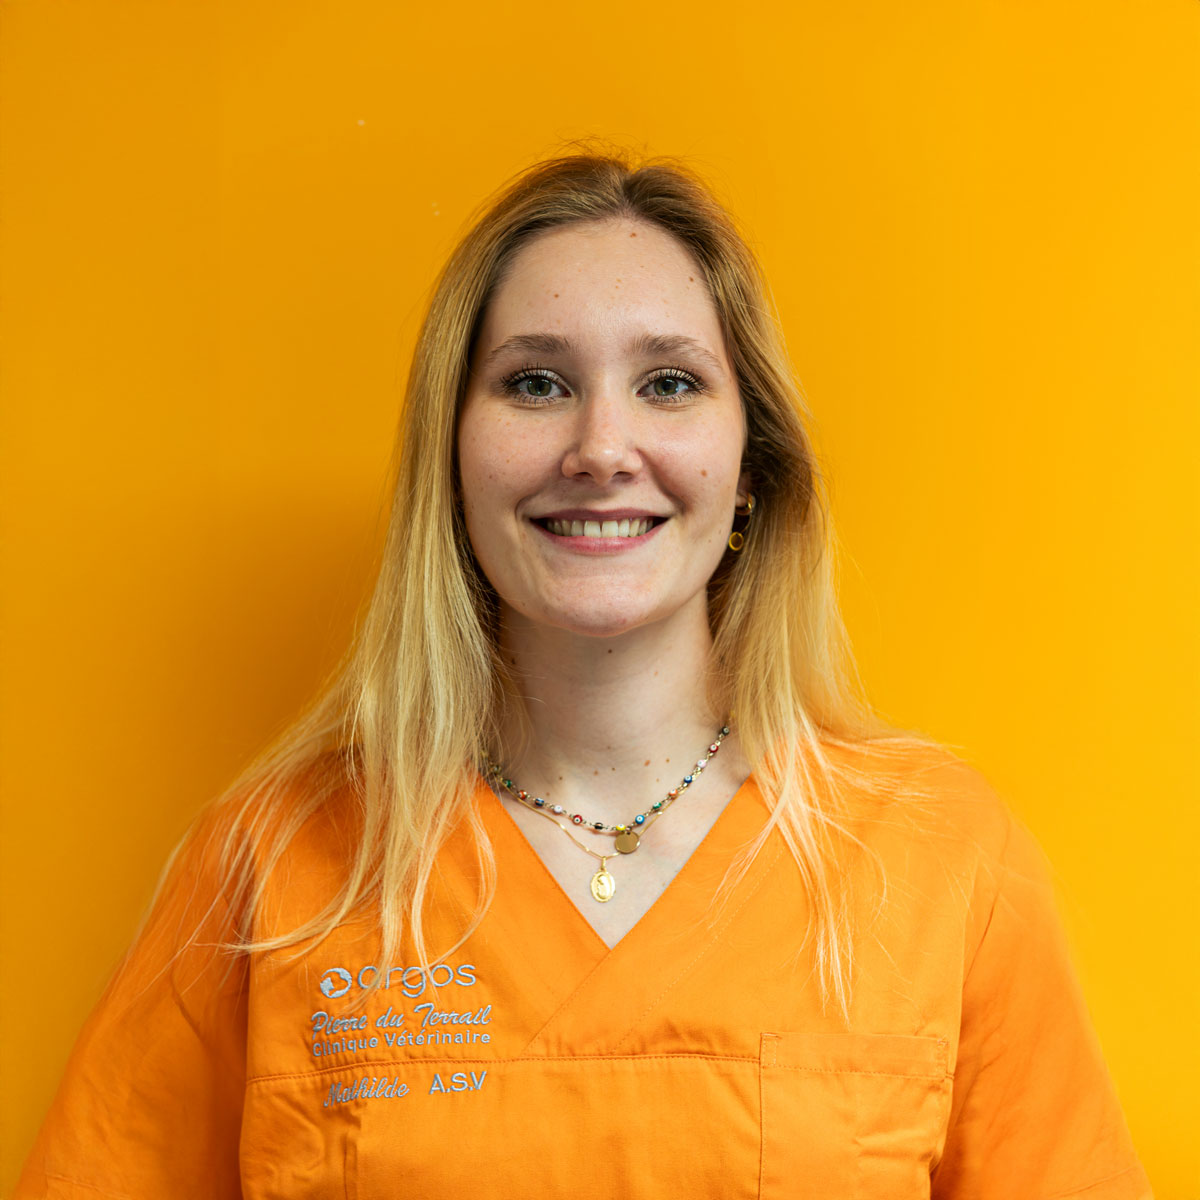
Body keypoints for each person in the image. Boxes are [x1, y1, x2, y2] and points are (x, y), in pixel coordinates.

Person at [16, 152, 1151, 1198]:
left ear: (749, 468)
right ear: (451, 458)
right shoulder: (271, 870)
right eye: (536, 384)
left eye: (669, 383)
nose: (602, 448)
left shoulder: (942, 860)